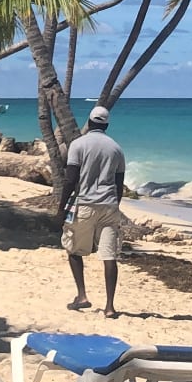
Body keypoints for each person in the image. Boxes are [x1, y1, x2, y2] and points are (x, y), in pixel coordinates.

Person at [59, 105, 127, 317]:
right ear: (106, 125)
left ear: (89, 123)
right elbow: (119, 184)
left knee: (73, 250)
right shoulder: (116, 149)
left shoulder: (78, 145)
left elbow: (71, 179)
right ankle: (110, 307)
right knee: (109, 256)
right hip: (109, 206)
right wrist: (115, 206)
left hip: (85, 205)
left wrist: (61, 208)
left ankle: (82, 296)